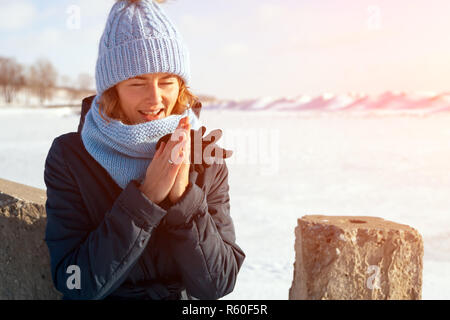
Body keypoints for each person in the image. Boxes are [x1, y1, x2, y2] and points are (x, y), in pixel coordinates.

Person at [44, 0, 245, 300]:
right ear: (112, 90)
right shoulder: (71, 157)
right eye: (137, 83)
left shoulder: (205, 157)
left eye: (167, 81)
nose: (155, 99)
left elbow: (218, 284)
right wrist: (145, 199)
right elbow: (74, 281)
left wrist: (183, 200)